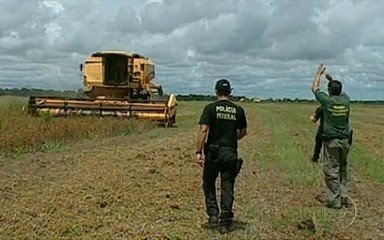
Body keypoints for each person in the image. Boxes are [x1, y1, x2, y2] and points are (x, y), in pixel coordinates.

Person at [196, 79, 247, 234]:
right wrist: (232, 137)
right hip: (230, 152)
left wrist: (198, 151)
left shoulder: (210, 108)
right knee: (227, 186)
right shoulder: (238, 110)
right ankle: (225, 222)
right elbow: (243, 131)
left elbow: (204, 130)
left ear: (216, 92)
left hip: (213, 152)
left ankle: (213, 216)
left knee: (209, 183)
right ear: (230, 92)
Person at [311, 64, 351, 209]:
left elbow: (314, 89)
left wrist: (319, 73)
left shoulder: (328, 102)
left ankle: (334, 200)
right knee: (343, 169)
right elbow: (338, 90)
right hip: (345, 141)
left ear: (329, 91)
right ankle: (344, 197)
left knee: (331, 170)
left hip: (332, 141)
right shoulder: (346, 101)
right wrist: (331, 79)